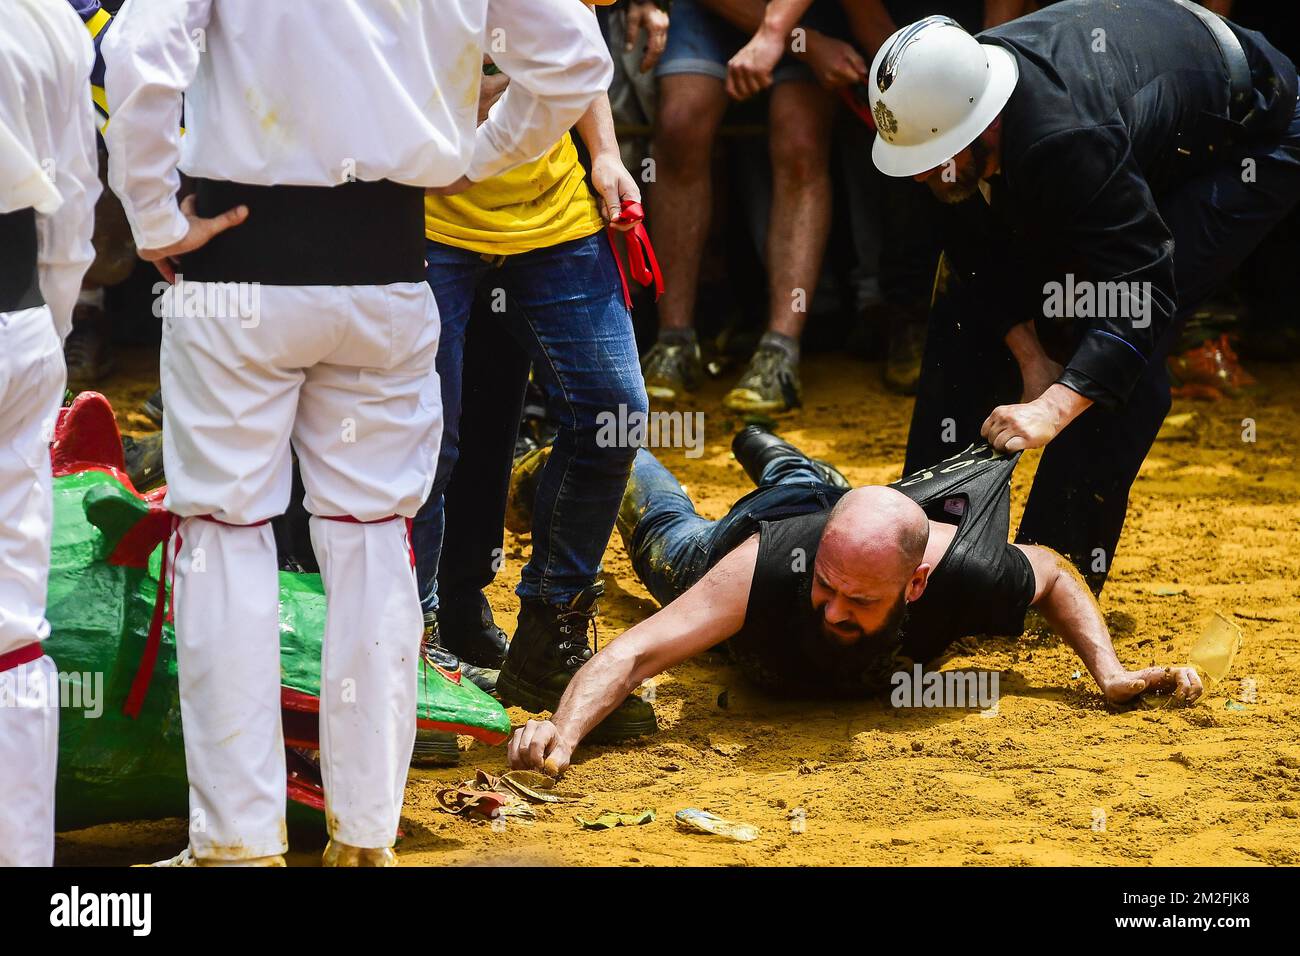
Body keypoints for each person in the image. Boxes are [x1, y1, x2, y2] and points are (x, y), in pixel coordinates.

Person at [102, 0, 611, 867]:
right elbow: (573, 58)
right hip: (386, 273)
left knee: (225, 536)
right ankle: (366, 833)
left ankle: (236, 842)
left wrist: (153, 217)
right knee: (375, 539)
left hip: (238, 268)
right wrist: (470, 161)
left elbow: (139, 52)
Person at [865, 3, 1300, 591]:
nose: (919, 176)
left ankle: (1052, 574)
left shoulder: (1066, 135)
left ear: (981, 126)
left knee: (1113, 331)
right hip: (1141, 115)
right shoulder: (941, 118)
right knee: (969, 313)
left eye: (930, 161)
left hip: (1246, 135)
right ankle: (928, 552)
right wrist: (1032, 361)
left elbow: (1141, 289)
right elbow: (970, 252)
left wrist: (1055, 405)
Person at [506, 428, 1203, 772]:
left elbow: (1051, 570)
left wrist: (1108, 673)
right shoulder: (769, 571)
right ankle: (623, 452)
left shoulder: (967, 573)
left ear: (916, 584)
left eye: (861, 601)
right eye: (828, 589)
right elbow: (631, 653)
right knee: (663, 535)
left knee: (812, 483)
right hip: (753, 534)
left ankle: (778, 453)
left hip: (831, 508)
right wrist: (561, 734)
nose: (835, 611)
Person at [412, 10, 658, 749]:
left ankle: (549, 641)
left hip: (552, 214)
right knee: (417, 437)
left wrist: (606, 153)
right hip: (418, 208)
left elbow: (569, 49)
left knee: (612, 411)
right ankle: (408, 659)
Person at [641, 0, 873, 413]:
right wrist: (800, 44)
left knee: (800, 141)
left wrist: (794, 36)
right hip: (711, 11)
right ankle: (673, 341)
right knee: (679, 125)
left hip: (808, 12)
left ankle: (780, 351)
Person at [0, 0, 99, 866]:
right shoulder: (47, 20)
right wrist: (46, 340)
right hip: (19, 327)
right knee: (11, 629)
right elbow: (73, 213)